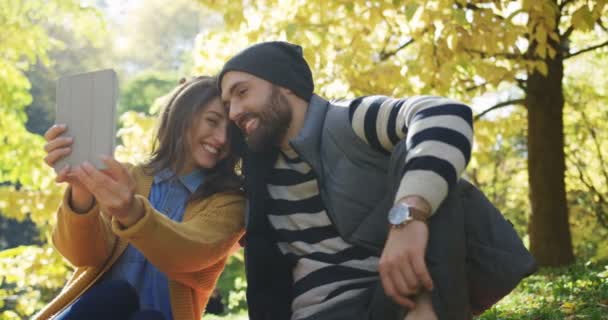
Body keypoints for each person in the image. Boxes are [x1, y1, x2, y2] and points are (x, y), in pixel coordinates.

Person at [217, 41, 475, 319]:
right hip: (323, 311)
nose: (234, 113)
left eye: (242, 92)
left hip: (397, 294)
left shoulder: (349, 119)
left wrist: (409, 216)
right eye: (228, 104)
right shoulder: (258, 175)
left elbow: (445, 113)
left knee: (420, 155)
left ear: (285, 83)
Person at [34, 76, 245, 320]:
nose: (221, 138)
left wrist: (130, 212)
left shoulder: (229, 203)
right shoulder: (123, 178)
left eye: (232, 132)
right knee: (117, 294)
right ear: (182, 116)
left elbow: (188, 252)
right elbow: (83, 256)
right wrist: (82, 190)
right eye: (212, 121)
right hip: (94, 311)